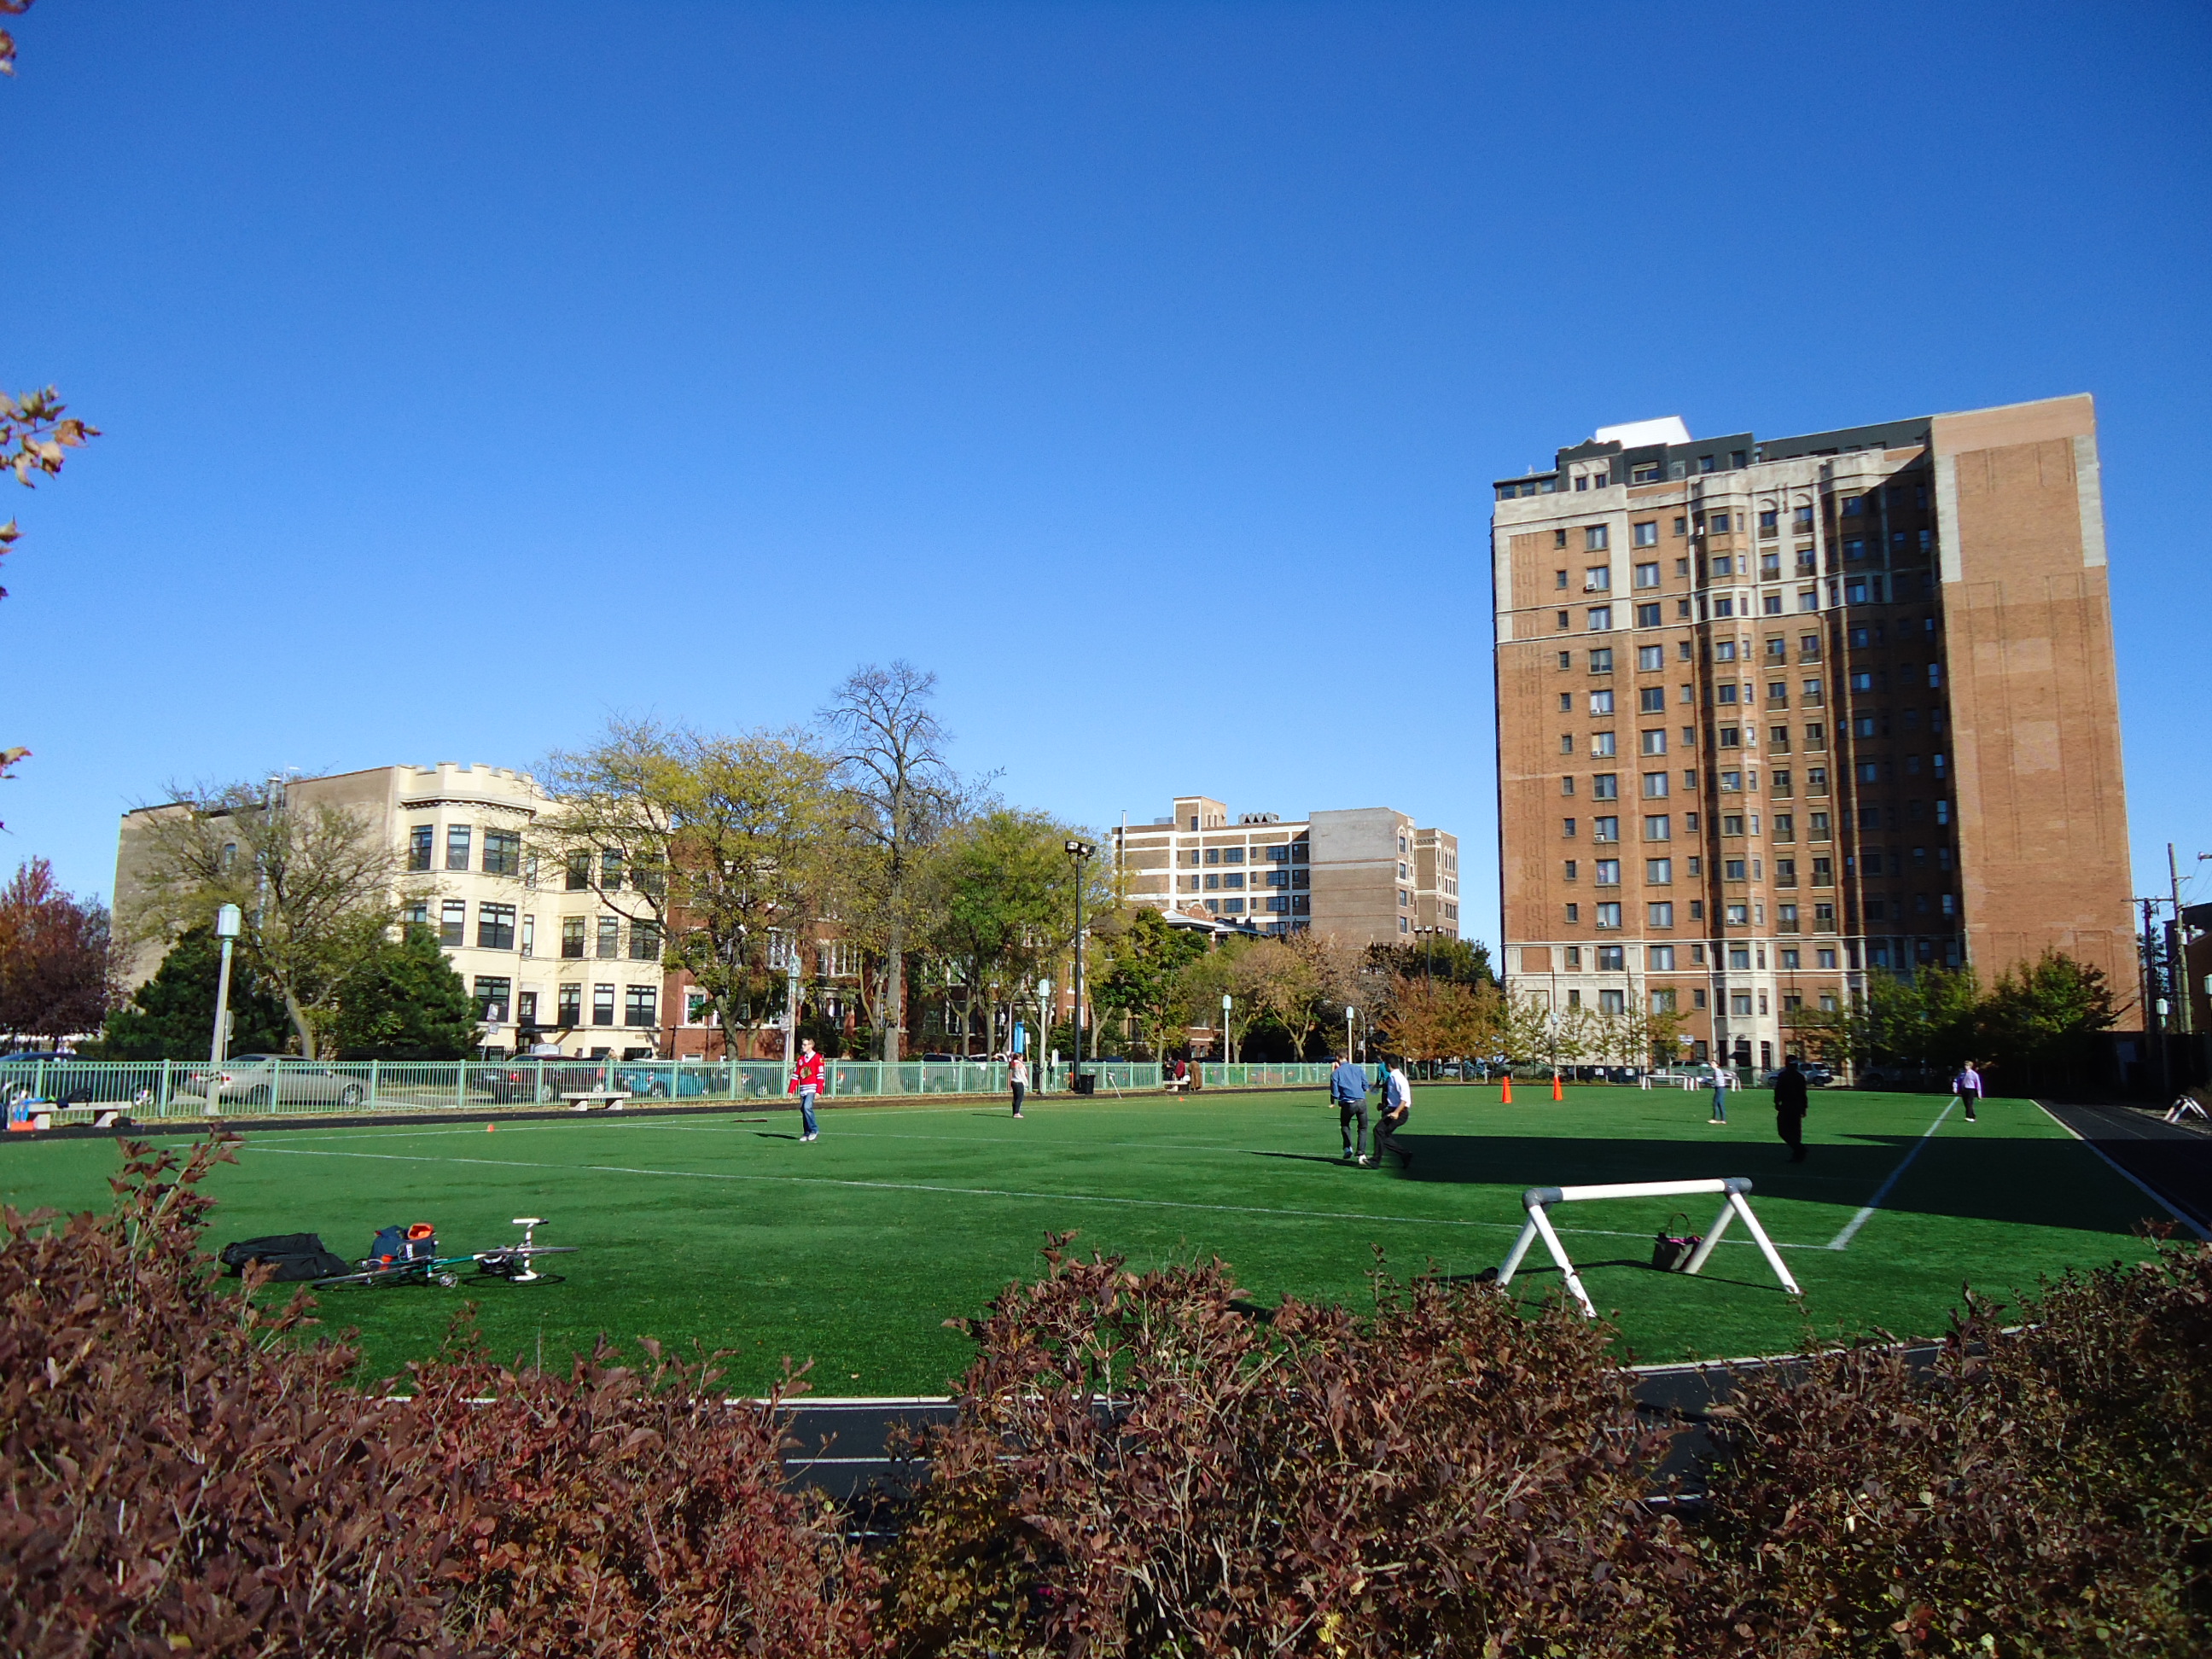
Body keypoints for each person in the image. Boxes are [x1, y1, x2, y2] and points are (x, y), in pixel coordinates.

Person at [1330, 1051, 1371, 1167]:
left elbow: (1335, 1093)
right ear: (1347, 1056)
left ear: (1337, 1057)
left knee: (1345, 1124)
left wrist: (1339, 1099)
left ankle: (1348, 1147)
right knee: (1363, 1128)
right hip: (1361, 1102)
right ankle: (1361, 1154)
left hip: (1348, 1103)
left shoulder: (1336, 1073)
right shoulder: (1358, 1069)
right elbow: (1365, 1086)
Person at [1377, 1058, 1414, 1170]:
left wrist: (1396, 1112)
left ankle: (1376, 1160)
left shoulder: (1397, 1078)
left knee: (1379, 1131)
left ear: (1388, 1065)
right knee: (1383, 1135)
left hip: (1399, 1111)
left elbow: (1405, 1099)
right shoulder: (1394, 1076)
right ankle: (1404, 1154)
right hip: (1393, 1109)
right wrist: (1384, 1106)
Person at [1772, 1056, 1809, 1162]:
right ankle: (1798, 1153)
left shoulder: (1783, 1076)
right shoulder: (1800, 1077)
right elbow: (1803, 1094)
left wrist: (1777, 1102)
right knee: (1795, 1130)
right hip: (1797, 1106)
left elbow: (1778, 1090)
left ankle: (1799, 1149)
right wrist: (1804, 1107)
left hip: (1787, 1105)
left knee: (1783, 1130)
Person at [789, 1038, 825, 1142]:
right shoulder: (801, 1059)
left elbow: (820, 1076)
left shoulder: (817, 1058)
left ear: (811, 1046)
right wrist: (791, 1090)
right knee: (803, 1109)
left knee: (807, 1107)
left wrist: (819, 1091)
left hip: (812, 1088)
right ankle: (807, 1132)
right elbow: (796, 1076)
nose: (803, 1047)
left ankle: (814, 1130)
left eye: (805, 1045)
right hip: (803, 1088)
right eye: (803, 1044)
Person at [1952, 1058, 1986, 1123]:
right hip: (1964, 1089)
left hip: (1971, 1090)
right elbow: (1956, 1080)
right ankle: (1972, 1116)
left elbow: (1978, 1084)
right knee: (1966, 1104)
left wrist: (1979, 1094)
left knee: (1969, 1103)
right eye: (1965, 1065)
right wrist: (1955, 1088)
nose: (1966, 1066)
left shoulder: (1974, 1074)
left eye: (1967, 1065)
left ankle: (1969, 1116)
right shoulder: (1962, 1073)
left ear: (1970, 1066)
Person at [1708, 1060, 1732, 1125]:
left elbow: (1717, 1080)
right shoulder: (1716, 1071)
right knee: (1720, 1104)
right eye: (1711, 1063)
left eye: (1713, 1063)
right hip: (1719, 1088)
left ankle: (1715, 1119)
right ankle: (1723, 1120)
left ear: (1717, 1065)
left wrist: (1711, 1084)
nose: (1711, 1064)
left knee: (1715, 1103)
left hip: (1720, 1088)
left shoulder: (1717, 1071)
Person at [1009, 1051, 1029, 1118]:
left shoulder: (1012, 1063)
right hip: (1019, 1082)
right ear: (1019, 1057)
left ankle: (1015, 1112)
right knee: (1019, 1098)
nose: (1022, 1058)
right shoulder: (1020, 1064)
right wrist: (1026, 1083)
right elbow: (1022, 1075)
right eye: (1022, 1056)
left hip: (1013, 1081)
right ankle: (1016, 1113)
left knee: (1015, 1098)